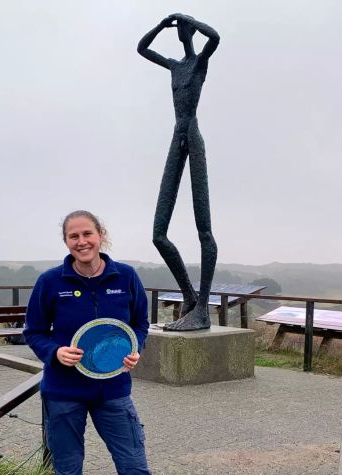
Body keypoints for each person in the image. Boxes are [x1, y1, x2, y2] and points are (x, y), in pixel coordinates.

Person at [23, 210, 177, 475]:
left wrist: (134, 349)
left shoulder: (125, 278)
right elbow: (34, 331)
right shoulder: (50, 282)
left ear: (100, 235)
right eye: (73, 236)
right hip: (63, 393)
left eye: (87, 234)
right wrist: (55, 352)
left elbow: (139, 324)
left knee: (135, 472)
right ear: (66, 242)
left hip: (113, 393)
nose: (81, 242)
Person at [138, 13, 220, 331]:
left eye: (186, 30)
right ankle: (189, 296)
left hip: (193, 137)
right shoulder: (174, 65)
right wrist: (162, 24)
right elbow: (142, 48)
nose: (183, 33)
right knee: (159, 233)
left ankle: (202, 310)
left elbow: (215, 37)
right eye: (181, 30)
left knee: (204, 229)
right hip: (176, 138)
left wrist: (189, 19)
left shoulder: (200, 62)